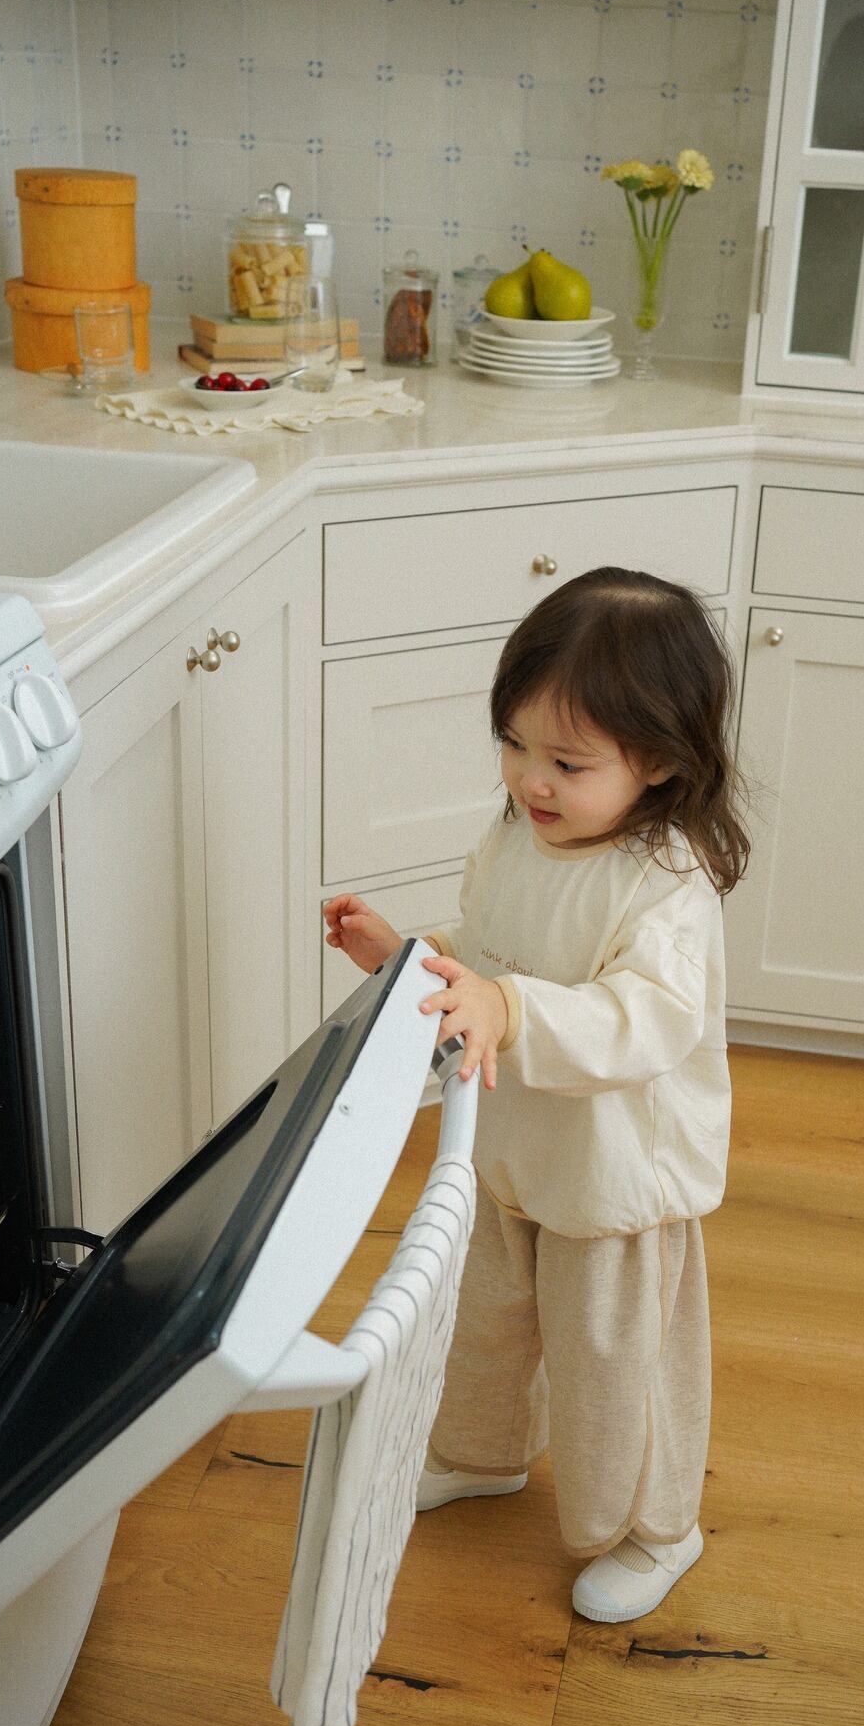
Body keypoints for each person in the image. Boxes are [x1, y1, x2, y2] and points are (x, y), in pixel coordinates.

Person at [323, 566, 749, 1624]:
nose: (530, 780)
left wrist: (507, 1008)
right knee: (483, 1322)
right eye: (514, 746)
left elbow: (644, 1020)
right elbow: (490, 953)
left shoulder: (667, 883)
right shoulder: (518, 837)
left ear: (660, 761)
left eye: (567, 762)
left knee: (614, 1365)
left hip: (614, 1181)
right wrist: (409, 960)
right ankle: (484, 1453)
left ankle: (656, 1527)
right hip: (509, 1150)